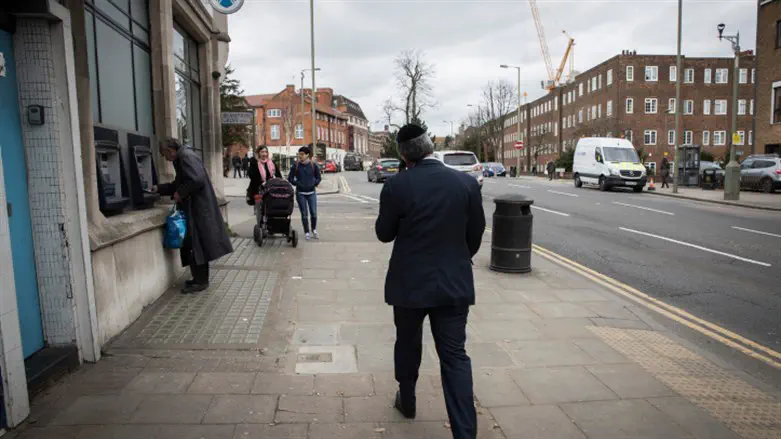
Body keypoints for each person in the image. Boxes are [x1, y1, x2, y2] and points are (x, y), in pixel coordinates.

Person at [375, 124, 485, 439]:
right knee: (454, 355)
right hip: (453, 283)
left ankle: (407, 401)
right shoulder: (465, 183)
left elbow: (384, 234)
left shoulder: (397, 185)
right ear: (430, 147)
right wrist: (456, 258)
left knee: (408, 344)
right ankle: (465, 433)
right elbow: (474, 236)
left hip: (409, 284)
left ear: (403, 155)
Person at [152, 138, 233, 294]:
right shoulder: (184, 157)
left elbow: (196, 180)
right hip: (196, 207)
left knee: (197, 245)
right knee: (196, 245)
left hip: (198, 208)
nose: (165, 159)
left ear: (171, 150)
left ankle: (201, 281)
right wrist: (160, 189)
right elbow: (181, 182)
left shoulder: (185, 157)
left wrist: (180, 193)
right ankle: (199, 279)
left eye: (164, 155)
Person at [287, 145, 321, 240]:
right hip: (300, 193)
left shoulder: (313, 165)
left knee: (313, 213)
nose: (300, 156)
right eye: (299, 154)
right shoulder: (296, 166)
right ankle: (306, 232)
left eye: (302, 154)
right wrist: (297, 183)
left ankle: (313, 229)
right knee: (304, 214)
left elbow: (319, 177)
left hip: (311, 192)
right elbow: (290, 178)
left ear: (307, 155)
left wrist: (314, 183)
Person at [246, 146, 283, 224]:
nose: (264, 154)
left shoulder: (271, 163)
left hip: (270, 189)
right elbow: (252, 176)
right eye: (262, 152)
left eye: (266, 152)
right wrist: (254, 161)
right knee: (260, 210)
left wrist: (277, 182)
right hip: (258, 190)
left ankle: (271, 225)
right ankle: (260, 226)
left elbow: (279, 176)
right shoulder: (254, 163)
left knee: (271, 208)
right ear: (258, 153)